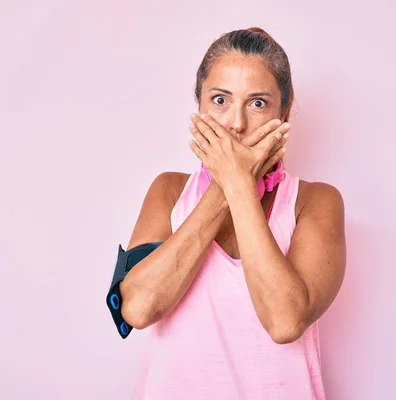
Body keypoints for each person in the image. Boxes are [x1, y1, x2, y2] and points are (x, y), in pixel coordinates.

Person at [115, 27, 346, 399]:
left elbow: (284, 321)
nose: (236, 124)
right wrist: (228, 184)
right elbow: (138, 309)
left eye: (257, 103)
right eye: (220, 100)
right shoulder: (170, 191)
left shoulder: (315, 202)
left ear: (284, 111)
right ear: (200, 106)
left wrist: (237, 184)